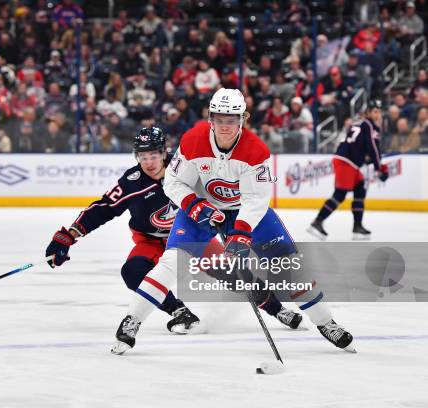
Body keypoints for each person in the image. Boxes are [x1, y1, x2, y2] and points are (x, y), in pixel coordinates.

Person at [112, 88, 355, 355]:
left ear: (243, 119)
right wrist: (195, 206)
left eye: (231, 119)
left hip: (245, 212)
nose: (225, 125)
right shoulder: (193, 141)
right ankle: (132, 320)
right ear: (210, 118)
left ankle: (326, 323)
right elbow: (174, 182)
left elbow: (256, 200)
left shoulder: (256, 151)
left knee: (288, 269)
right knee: (172, 262)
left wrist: (240, 234)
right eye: (219, 118)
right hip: (200, 212)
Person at [45, 127, 201, 333]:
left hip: (189, 237)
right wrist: (68, 236)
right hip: (151, 241)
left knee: (232, 271)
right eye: (142, 156)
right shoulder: (132, 182)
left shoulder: (185, 168)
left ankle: (259, 295)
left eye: (153, 155)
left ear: (164, 152)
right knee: (132, 272)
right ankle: (179, 311)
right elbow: (104, 208)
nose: (148, 162)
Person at [309, 100, 388, 240]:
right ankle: (317, 222)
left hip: (348, 161)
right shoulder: (370, 125)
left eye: (379, 111)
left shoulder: (358, 124)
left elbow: (360, 147)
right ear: (368, 113)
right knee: (339, 195)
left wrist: (370, 161)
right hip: (347, 162)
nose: (378, 114)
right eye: (375, 111)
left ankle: (357, 226)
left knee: (360, 189)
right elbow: (373, 148)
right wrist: (379, 168)